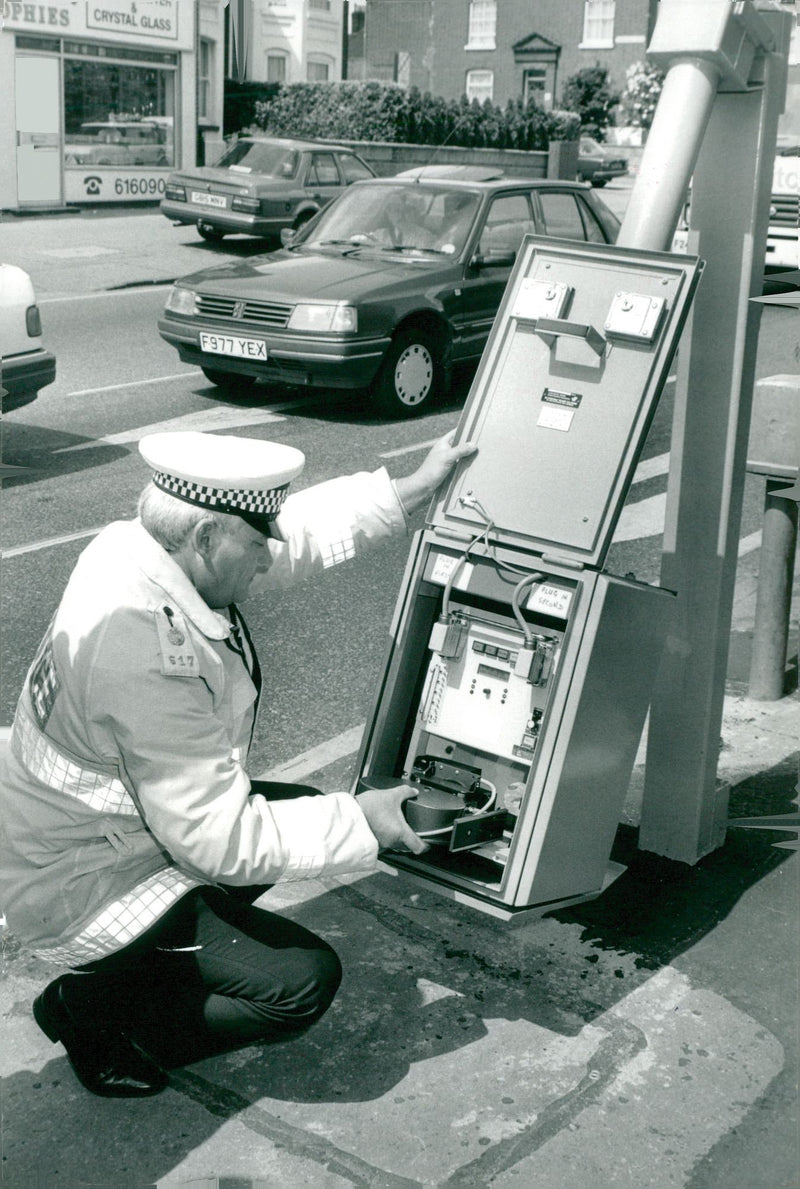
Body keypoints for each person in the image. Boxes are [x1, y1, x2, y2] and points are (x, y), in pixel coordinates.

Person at [0, 428, 476, 1098]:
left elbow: (286, 540)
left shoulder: (138, 546)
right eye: (256, 542)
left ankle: (131, 975)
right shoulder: (137, 650)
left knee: (290, 812)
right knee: (302, 980)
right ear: (205, 538)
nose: (267, 555)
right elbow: (221, 842)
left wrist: (405, 494)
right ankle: (96, 1013)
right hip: (81, 885)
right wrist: (364, 823)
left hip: (101, 837)